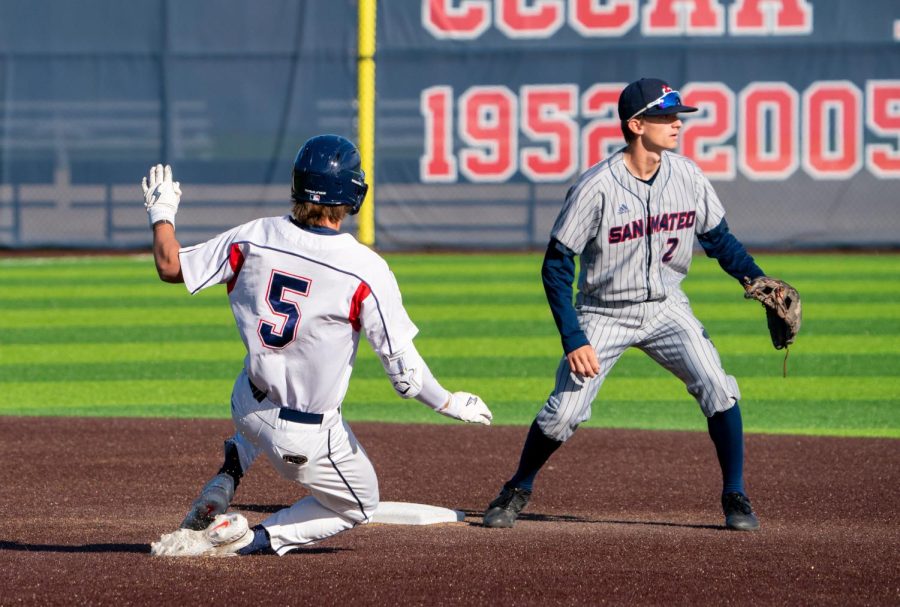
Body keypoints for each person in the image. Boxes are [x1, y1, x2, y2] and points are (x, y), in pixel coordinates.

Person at [143, 134, 493, 557]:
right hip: (302, 437)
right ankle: (247, 538)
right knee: (360, 504)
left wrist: (162, 213)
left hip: (246, 402)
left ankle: (229, 473)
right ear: (351, 194)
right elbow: (406, 378)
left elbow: (170, 265)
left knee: (265, 386)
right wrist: (449, 403)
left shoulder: (254, 236)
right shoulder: (365, 268)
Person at [482, 78, 775, 532]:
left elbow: (719, 240)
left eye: (677, 115)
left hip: (666, 307)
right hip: (604, 312)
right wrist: (574, 337)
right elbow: (557, 265)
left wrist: (754, 278)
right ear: (636, 125)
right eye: (664, 116)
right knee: (564, 413)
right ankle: (518, 486)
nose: (677, 123)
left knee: (719, 387)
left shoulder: (688, 176)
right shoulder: (596, 186)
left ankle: (735, 494)